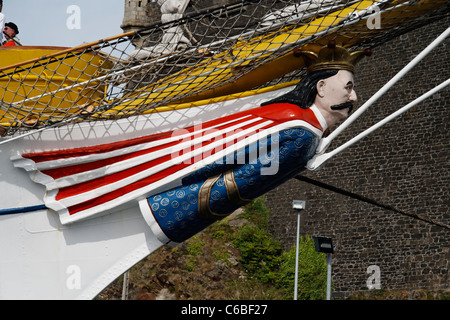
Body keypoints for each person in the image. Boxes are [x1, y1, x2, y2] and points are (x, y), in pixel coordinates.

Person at [140, 41, 371, 243]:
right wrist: (177, 209)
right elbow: (245, 174)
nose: (354, 97)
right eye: (348, 88)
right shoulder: (302, 132)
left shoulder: (301, 126)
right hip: (176, 203)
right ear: (321, 88)